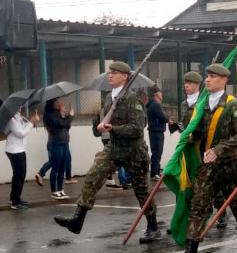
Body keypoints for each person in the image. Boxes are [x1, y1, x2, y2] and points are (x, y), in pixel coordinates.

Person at [54, 61, 160, 243]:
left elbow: (137, 128)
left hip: (134, 151)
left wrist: (112, 128)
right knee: (93, 176)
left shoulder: (131, 98)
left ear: (125, 77)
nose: (110, 75)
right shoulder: (109, 99)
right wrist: (98, 125)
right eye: (110, 72)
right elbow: (98, 128)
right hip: (114, 148)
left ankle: (153, 226)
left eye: (115, 72)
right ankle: (77, 219)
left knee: (141, 190)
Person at [167, 63, 237, 253]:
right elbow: (200, 131)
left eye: (213, 77)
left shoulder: (232, 105)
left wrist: (218, 149)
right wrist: (190, 137)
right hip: (209, 166)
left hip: (231, 164)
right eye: (207, 76)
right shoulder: (203, 104)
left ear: (225, 80)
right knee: (199, 206)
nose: (208, 80)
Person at [3, 107, 39, 209]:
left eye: (20, 105)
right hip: (15, 151)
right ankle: (15, 202)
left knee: (19, 176)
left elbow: (25, 128)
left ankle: (14, 198)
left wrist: (32, 120)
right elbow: (21, 133)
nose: (20, 107)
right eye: (18, 105)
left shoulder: (19, 117)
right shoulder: (11, 119)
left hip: (19, 149)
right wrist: (31, 122)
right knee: (19, 176)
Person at [42, 98, 73, 200]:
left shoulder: (58, 114)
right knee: (55, 167)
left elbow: (67, 126)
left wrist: (65, 115)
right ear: (51, 104)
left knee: (62, 168)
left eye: (58, 102)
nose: (59, 103)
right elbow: (63, 124)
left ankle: (60, 190)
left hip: (64, 143)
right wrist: (71, 116)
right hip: (56, 143)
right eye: (56, 102)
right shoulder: (50, 116)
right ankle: (54, 191)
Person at [146, 86, 170, 180]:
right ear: (156, 94)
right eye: (160, 93)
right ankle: (154, 173)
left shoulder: (152, 104)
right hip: (156, 131)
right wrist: (168, 119)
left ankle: (156, 171)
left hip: (154, 131)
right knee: (157, 152)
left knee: (156, 152)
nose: (162, 94)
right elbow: (162, 117)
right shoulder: (155, 105)